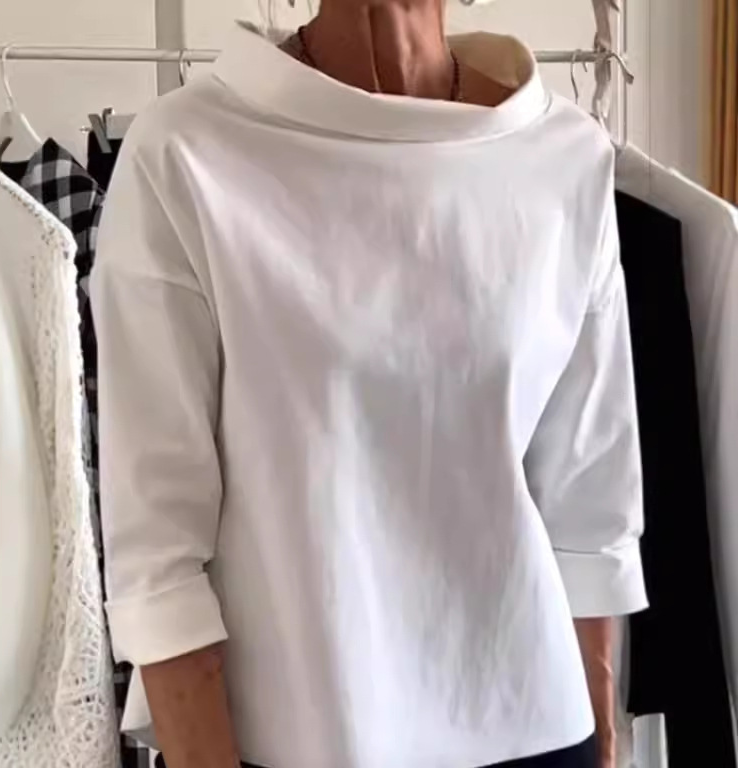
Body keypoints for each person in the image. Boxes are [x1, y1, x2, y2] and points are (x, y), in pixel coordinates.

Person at [92, 1, 647, 767]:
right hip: (297, 741)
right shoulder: (186, 152)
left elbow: (589, 507)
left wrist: (606, 740)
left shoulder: (565, 156)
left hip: (541, 729)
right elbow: (156, 560)